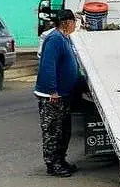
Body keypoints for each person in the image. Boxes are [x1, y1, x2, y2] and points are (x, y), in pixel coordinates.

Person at [35, 9, 84, 177]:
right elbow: (48, 66)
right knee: (53, 131)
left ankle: (61, 160)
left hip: (64, 94)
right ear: (67, 22)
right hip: (53, 96)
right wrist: (52, 90)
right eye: (74, 22)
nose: (75, 25)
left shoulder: (65, 38)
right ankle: (52, 164)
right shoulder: (55, 39)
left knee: (64, 130)